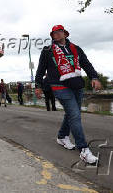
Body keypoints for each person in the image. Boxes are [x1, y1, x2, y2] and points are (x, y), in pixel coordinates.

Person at [35, 25, 102, 165]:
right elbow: (41, 69)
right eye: (55, 33)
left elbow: (86, 64)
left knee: (72, 113)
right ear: (52, 36)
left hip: (77, 85)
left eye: (60, 32)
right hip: (59, 86)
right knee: (75, 115)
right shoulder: (47, 51)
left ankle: (62, 136)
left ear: (65, 33)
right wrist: (38, 85)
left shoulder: (76, 48)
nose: (58, 34)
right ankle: (83, 149)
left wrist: (94, 78)